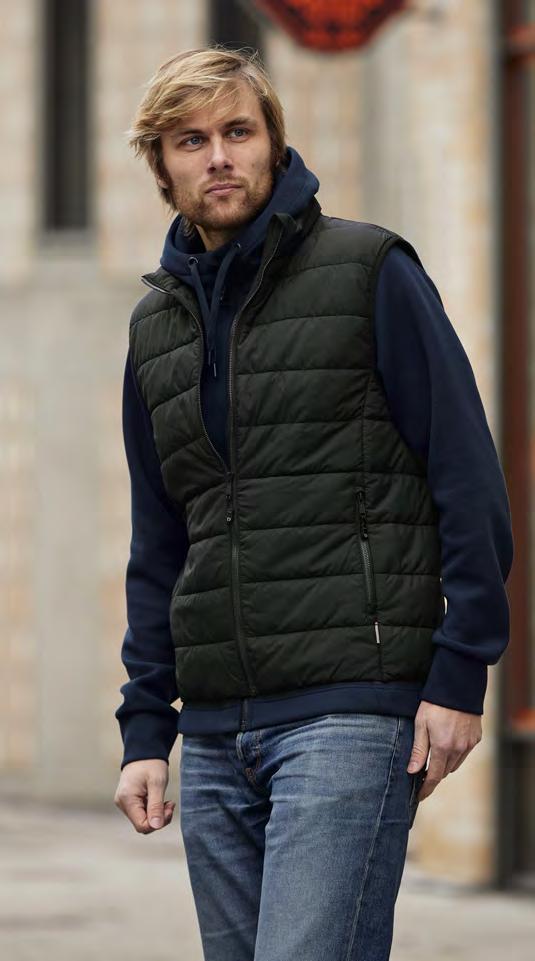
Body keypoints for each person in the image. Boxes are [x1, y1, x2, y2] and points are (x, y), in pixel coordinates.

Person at [114, 46, 513, 961]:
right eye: (191, 140)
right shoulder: (154, 329)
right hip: (214, 731)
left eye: (238, 131)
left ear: (274, 143)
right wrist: (145, 726)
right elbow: (160, 541)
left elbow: (465, 477)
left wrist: (460, 671)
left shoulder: (368, 270)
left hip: (350, 711)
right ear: (162, 167)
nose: (219, 156)